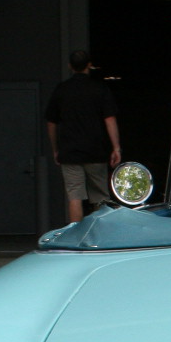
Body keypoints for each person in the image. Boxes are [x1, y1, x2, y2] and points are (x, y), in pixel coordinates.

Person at [44, 50, 121, 223]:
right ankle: (101, 236)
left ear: (70, 66)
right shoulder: (99, 88)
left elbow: (51, 122)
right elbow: (109, 119)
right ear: (89, 65)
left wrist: (56, 149)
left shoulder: (61, 90)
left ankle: (76, 237)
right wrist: (116, 147)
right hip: (96, 151)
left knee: (75, 196)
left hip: (70, 152)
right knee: (100, 197)